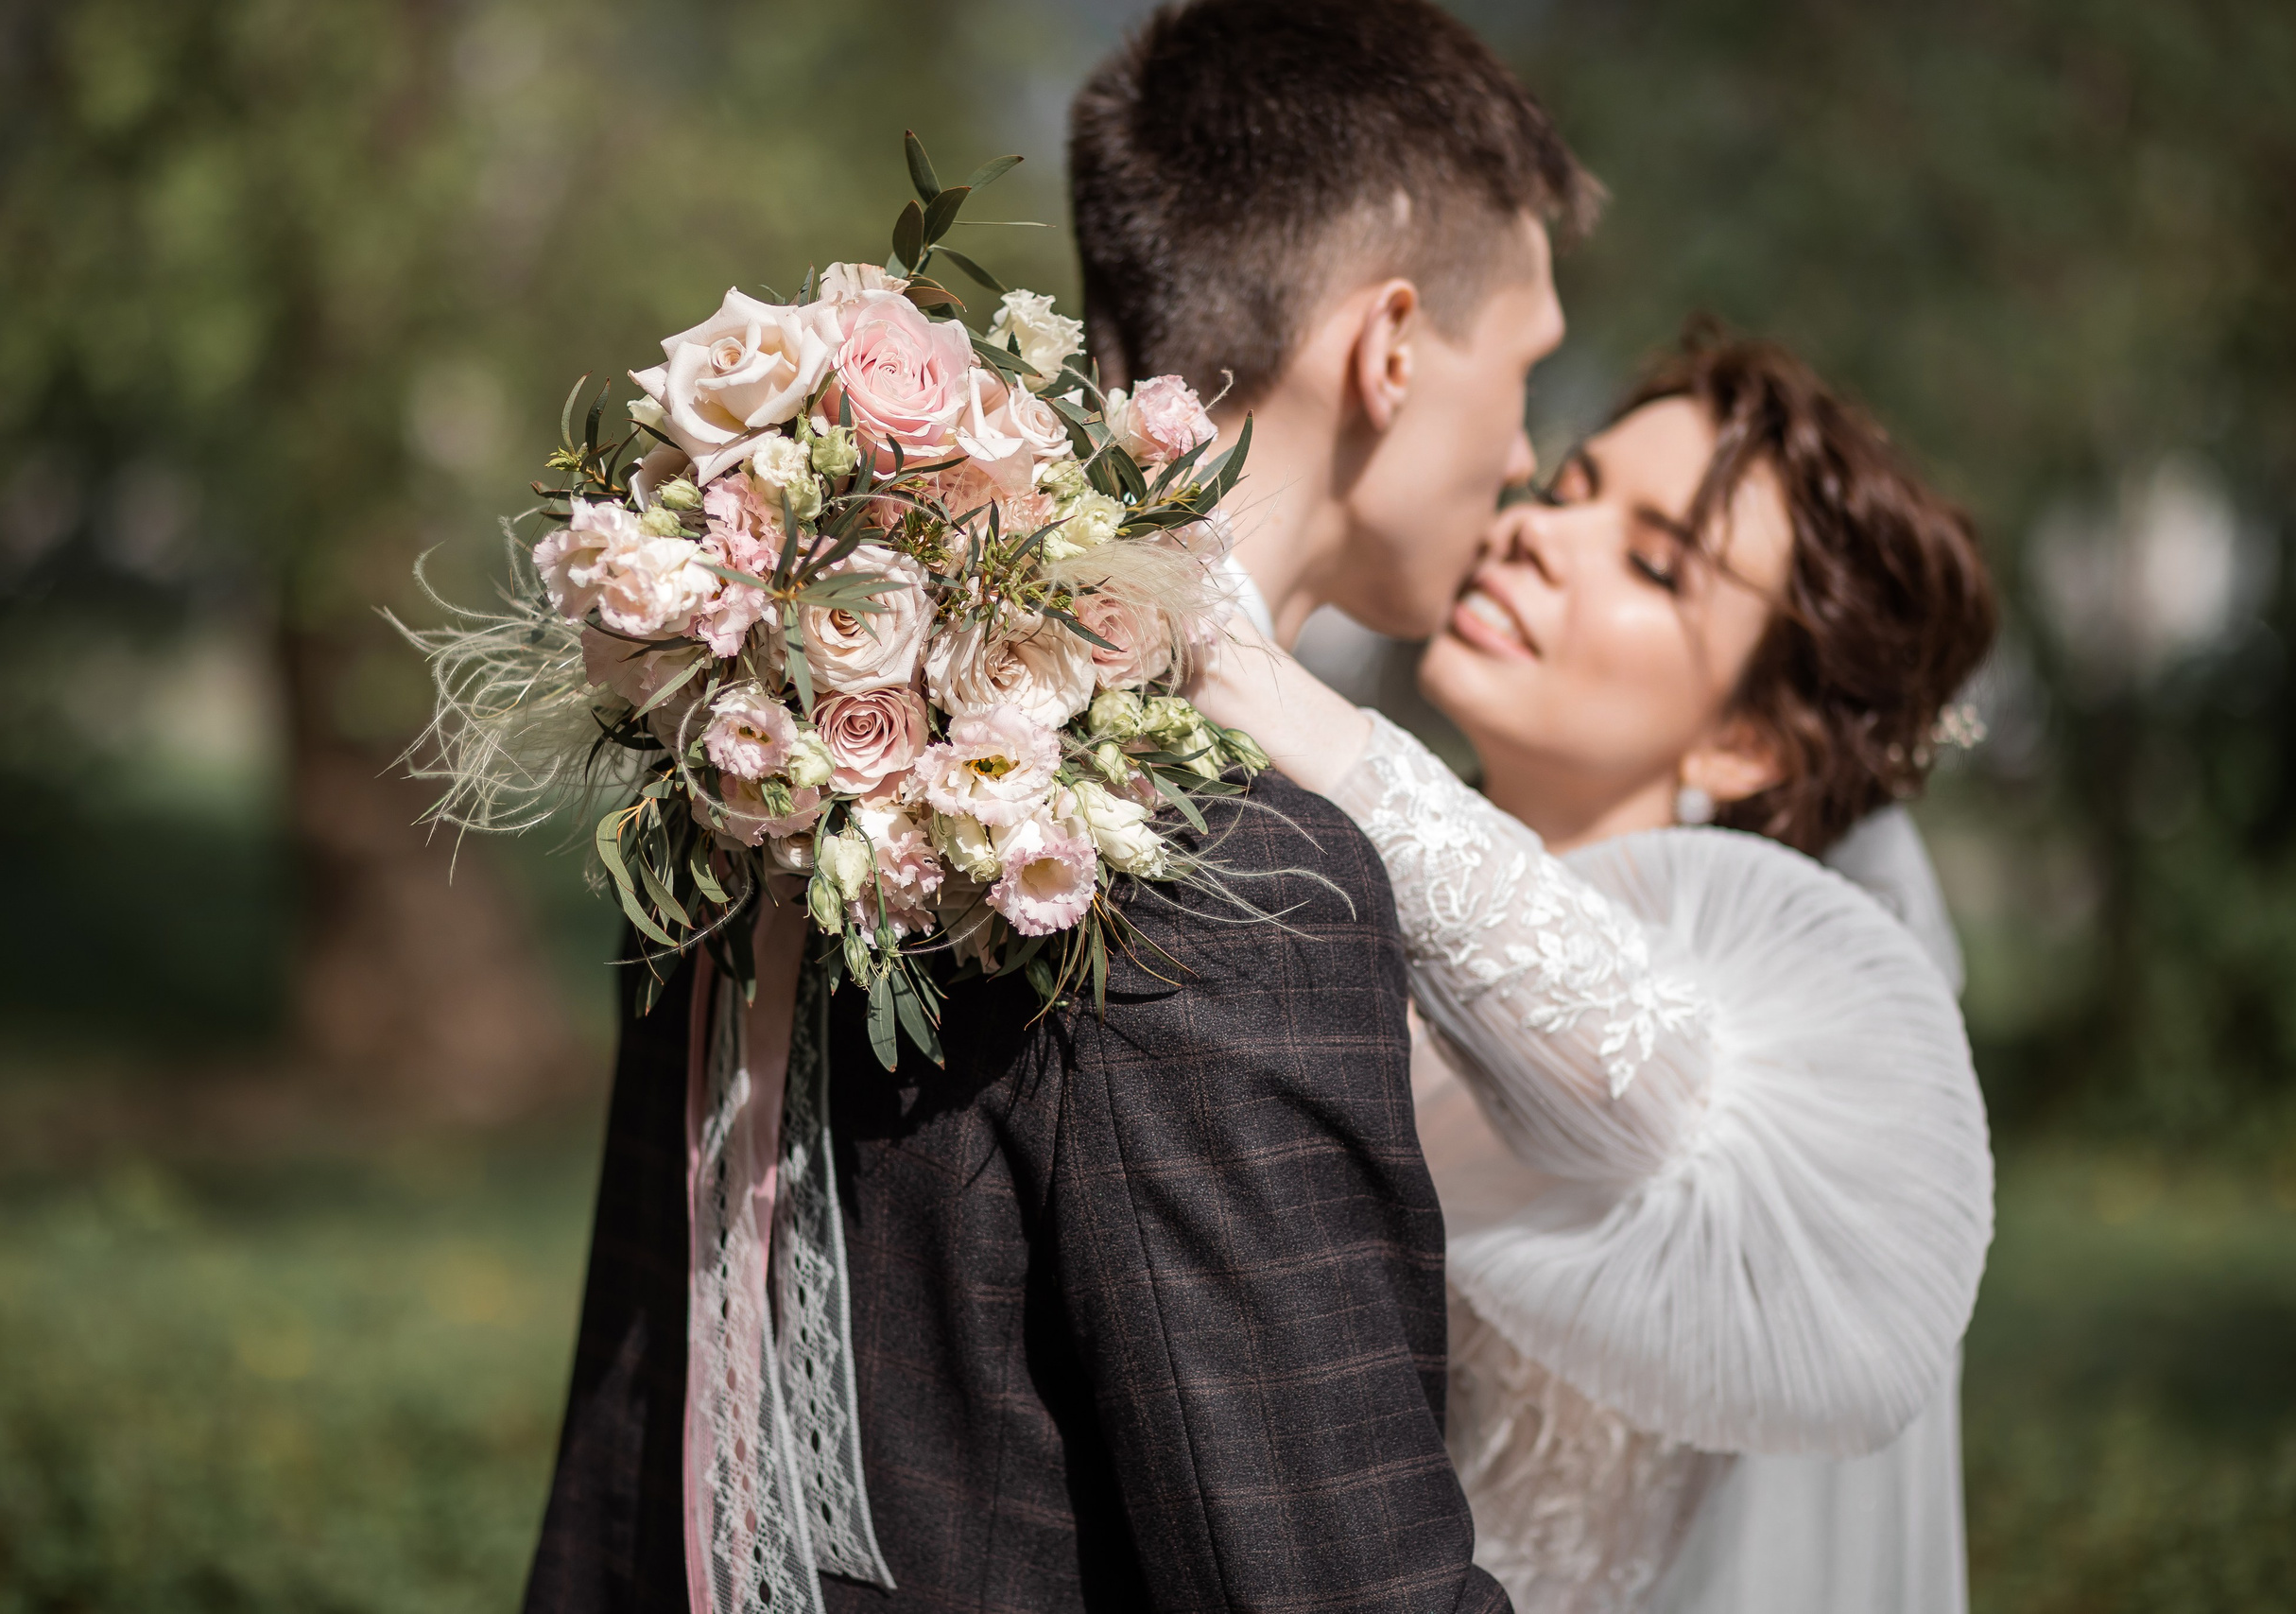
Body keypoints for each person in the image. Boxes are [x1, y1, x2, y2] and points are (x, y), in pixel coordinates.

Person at [517, 3, 1597, 1610]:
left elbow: (631, 1444)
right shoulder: (1238, 885)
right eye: (1526, 374)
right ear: (1388, 349)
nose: (1522, 453)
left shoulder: (753, 735)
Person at [1190, 331, 2000, 1614]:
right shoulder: (1316, 889)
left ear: (1745, 739)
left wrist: (1224, 657)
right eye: (1568, 490)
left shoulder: (1729, 1057)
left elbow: (1642, 1088)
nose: (1538, 536)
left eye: (1652, 561)